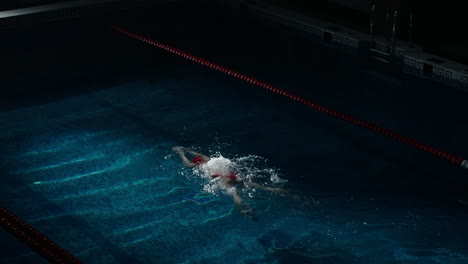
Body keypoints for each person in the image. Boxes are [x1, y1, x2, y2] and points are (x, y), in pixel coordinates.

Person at [172, 146, 287, 217]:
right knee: (257, 185)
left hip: (224, 179)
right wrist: (186, 149)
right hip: (231, 175)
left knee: (235, 194)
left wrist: (180, 153)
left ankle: (244, 209)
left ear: (197, 162)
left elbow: (187, 163)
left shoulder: (199, 166)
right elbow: (196, 154)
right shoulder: (207, 159)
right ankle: (281, 191)